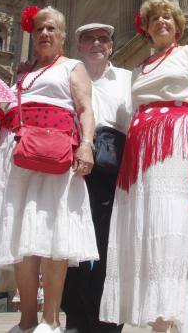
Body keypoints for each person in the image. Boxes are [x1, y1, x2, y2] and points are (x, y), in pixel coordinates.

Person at [100, 0, 188, 333]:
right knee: (144, 225)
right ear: (147, 30)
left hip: (178, 138)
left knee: (171, 222)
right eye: (156, 19)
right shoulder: (138, 69)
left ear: (178, 26)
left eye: (168, 18)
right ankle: (156, 319)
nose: (162, 22)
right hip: (139, 151)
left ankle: (165, 322)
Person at [0, 5, 98, 333]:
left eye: (51, 30)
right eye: (39, 29)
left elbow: (86, 109)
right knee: (22, 236)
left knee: (53, 235)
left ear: (61, 36)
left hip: (55, 154)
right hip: (17, 156)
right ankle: (27, 320)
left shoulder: (73, 67)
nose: (44, 34)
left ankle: (51, 320)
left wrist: (86, 144)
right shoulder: (22, 74)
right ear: (32, 35)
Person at [62, 23, 132, 333]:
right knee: (71, 243)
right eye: (88, 39)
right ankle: (75, 316)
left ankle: (106, 319)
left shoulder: (128, 80)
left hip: (112, 164)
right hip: (71, 161)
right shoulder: (67, 76)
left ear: (111, 46)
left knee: (109, 242)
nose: (96, 44)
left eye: (103, 39)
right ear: (78, 47)